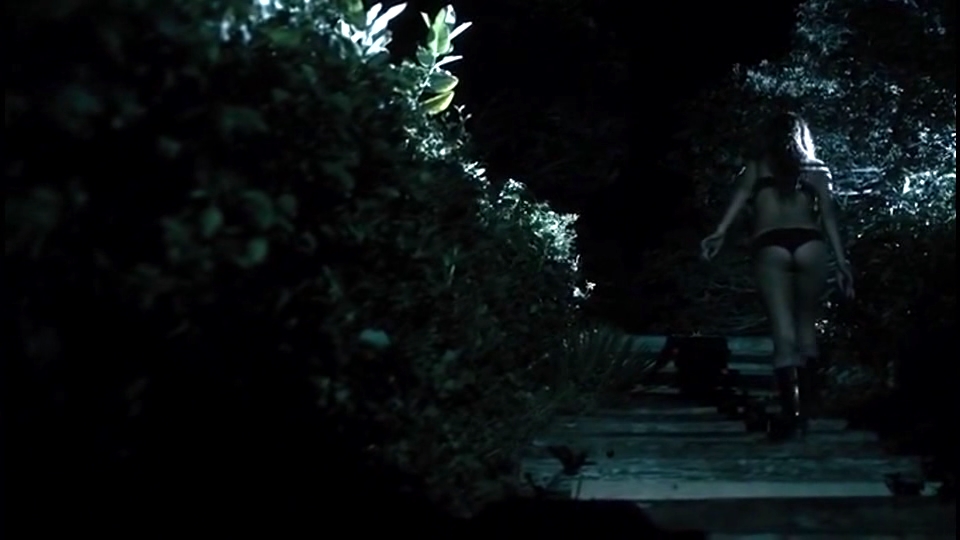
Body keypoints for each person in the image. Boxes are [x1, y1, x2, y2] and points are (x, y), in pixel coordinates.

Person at [699, 111, 855, 442]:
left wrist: (719, 233)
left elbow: (736, 204)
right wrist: (842, 263)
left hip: (770, 245)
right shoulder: (817, 171)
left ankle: (791, 416)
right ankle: (808, 411)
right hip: (810, 244)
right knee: (806, 328)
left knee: (783, 334)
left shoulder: (757, 168)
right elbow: (828, 218)